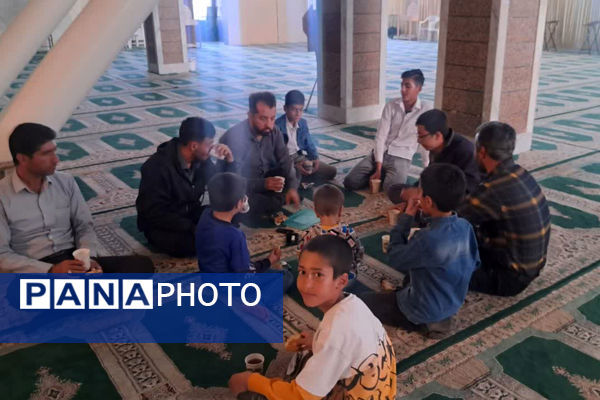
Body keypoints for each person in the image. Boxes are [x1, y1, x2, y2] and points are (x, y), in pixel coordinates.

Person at [228, 235, 397, 400]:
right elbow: (346, 345)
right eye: (302, 272)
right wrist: (316, 341)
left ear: (341, 281)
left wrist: (250, 381)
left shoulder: (335, 333)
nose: (306, 284)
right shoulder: (354, 304)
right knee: (306, 357)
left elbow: (299, 396)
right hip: (382, 390)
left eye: (318, 275)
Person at [0, 123, 153, 273]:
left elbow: (83, 225)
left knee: (141, 266)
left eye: (54, 152)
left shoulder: (65, 181)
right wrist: (51, 270)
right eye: (46, 154)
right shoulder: (3, 195)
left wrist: (88, 258)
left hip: (73, 260)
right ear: (22, 158)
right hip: (35, 268)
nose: (56, 160)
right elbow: (3, 255)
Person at [360, 164, 479, 332]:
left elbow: (394, 257)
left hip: (421, 310)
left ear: (428, 201)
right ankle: (439, 311)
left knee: (361, 303)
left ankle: (426, 322)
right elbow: (474, 263)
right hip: (453, 301)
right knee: (421, 268)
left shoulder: (427, 238)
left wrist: (407, 216)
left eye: (420, 193)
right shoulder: (465, 226)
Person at [458, 122, 551, 296]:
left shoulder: (492, 189)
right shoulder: (520, 173)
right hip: (529, 267)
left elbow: (452, 218)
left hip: (508, 278)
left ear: (482, 151)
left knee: (437, 263)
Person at [136, 117, 234, 257]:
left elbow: (221, 185)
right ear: (194, 146)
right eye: (209, 144)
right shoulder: (156, 167)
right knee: (194, 243)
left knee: (230, 212)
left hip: (190, 214)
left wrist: (229, 161)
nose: (212, 148)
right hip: (163, 225)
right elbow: (154, 213)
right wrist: (192, 227)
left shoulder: (201, 159)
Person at [195, 173, 294, 292]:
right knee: (286, 276)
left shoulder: (205, 214)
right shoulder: (235, 236)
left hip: (208, 278)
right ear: (238, 204)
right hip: (230, 288)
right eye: (244, 196)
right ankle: (251, 300)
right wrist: (268, 262)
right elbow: (244, 273)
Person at [343, 69, 433, 192]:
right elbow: (381, 136)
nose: (402, 90)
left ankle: (386, 176)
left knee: (390, 189)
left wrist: (427, 167)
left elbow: (425, 141)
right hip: (381, 153)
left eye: (407, 86)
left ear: (419, 88)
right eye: (402, 85)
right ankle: (381, 173)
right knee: (350, 182)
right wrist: (378, 166)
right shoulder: (391, 105)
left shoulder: (426, 110)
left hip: (402, 156)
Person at [219, 92, 300, 222]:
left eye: (272, 118)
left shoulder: (274, 131)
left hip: (266, 181)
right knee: (243, 200)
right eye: (263, 119)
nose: (269, 124)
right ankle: (275, 202)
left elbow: (286, 162)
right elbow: (232, 182)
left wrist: (292, 187)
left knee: (294, 173)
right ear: (250, 116)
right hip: (243, 188)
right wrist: (263, 184)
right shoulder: (234, 139)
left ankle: (278, 199)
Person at [388, 109, 481, 204]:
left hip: (451, 199)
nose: (418, 140)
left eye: (421, 136)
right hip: (433, 191)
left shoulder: (464, 150)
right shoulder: (435, 147)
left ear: (437, 135)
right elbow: (430, 176)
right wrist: (416, 190)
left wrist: (424, 195)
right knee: (395, 190)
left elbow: (469, 189)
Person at [297, 184, 362, 286]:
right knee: (350, 275)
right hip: (341, 282)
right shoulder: (348, 233)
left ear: (316, 212)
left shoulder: (308, 234)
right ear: (340, 210)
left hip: (316, 281)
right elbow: (358, 254)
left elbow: (300, 255)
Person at [275, 90, 337, 185]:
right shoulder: (277, 127)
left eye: (300, 109)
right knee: (286, 176)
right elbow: (275, 157)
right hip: (284, 163)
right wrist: (294, 166)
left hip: (299, 157)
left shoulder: (302, 123)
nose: (298, 113)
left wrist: (315, 158)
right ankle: (297, 179)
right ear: (285, 108)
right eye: (294, 109)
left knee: (331, 171)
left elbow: (309, 144)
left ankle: (299, 179)